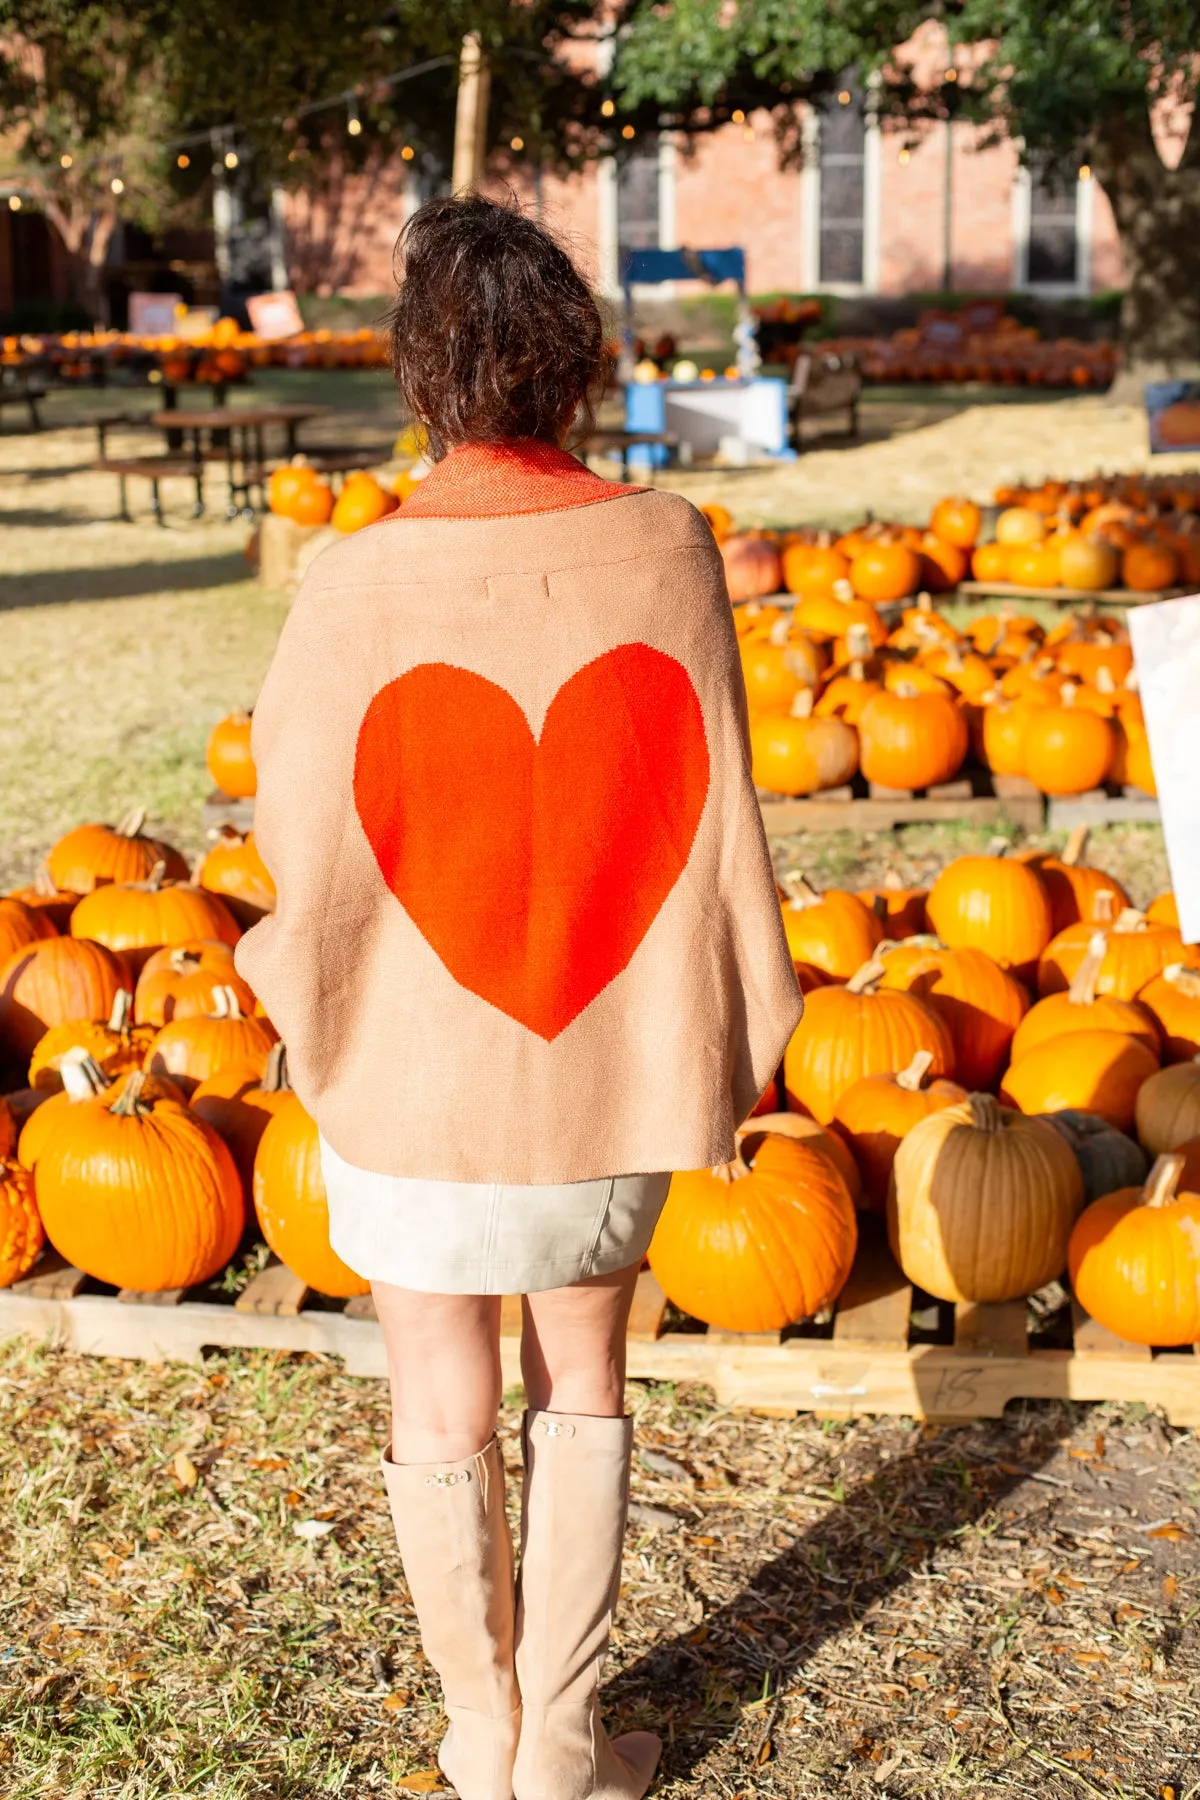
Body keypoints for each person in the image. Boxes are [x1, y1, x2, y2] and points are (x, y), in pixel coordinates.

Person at [237, 194, 802, 1800]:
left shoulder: (351, 584)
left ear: (421, 378)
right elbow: (714, 816)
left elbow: (303, 836)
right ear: (573, 363)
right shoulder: (673, 547)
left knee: (437, 1390)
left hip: (411, 1076)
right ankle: (562, 1744)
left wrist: (300, 988)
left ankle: (480, 1736)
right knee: (586, 1380)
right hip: (608, 1063)